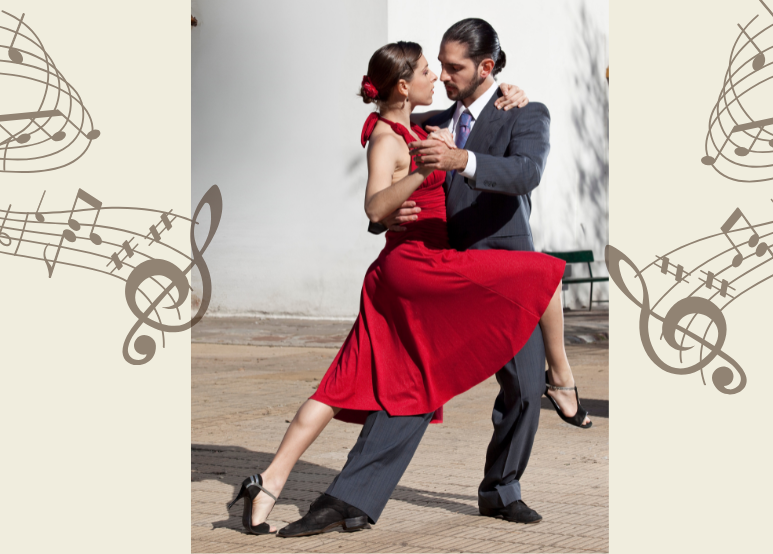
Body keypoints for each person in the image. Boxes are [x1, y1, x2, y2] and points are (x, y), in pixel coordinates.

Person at [225, 24, 589, 539]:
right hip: (437, 273)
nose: (442, 76)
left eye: (454, 67)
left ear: (486, 68)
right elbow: (387, 168)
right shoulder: (427, 121)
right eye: (435, 65)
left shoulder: (524, 112)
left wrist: (461, 159)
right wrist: (388, 218)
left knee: (525, 389)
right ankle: (351, 497)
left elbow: (525, 173)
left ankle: (501, 488)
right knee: (412, 385)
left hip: (502, 271)